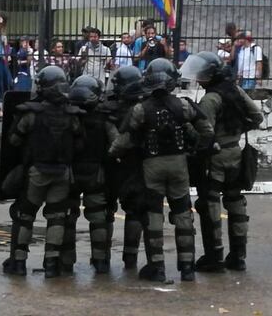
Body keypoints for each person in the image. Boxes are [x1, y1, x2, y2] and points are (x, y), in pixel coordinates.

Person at [109, 59, 214, 282]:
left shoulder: (140, 109)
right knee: (183, 212)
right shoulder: (184, 105)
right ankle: (187, 268)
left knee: (153, 215)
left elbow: (124, 140)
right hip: (178, 164)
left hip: (152, 165)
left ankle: (156, 268)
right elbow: (206, 130)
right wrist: (196, 150)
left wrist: (113, 154)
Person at [180, 52, 263, 273]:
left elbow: (203, 133)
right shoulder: (234, 90)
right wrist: (235, 132)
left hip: (214, 158)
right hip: (235, 153)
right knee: (236, 203)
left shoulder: (210, 99)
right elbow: (257, 116)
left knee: (211, 206)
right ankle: (238, 256)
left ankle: (214, 256)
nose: (198, 78)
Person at [2, 66, 82, 278]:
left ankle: (18, 263)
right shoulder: (72, 114)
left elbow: (14, 140)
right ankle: (52, 264)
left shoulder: (30, 114)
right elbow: (79, 143)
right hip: (62, 173)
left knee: (25, 215)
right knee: (56, 217)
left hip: (37, 172)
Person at [62, 75, 111, 274]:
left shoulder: (66, 116)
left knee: (67, 217)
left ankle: (65, 262)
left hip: (70, 174)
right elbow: (116, 145)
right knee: (98, 218)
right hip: (95, 174)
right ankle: (100, 261)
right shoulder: (104, 119)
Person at [102, 66, 147, 269]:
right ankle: (130, 259)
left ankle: (101, 260)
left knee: (106, 212)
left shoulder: (106, 107)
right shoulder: (145, 107)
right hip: (135, 166)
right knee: (135, 211)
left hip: (111, 165)